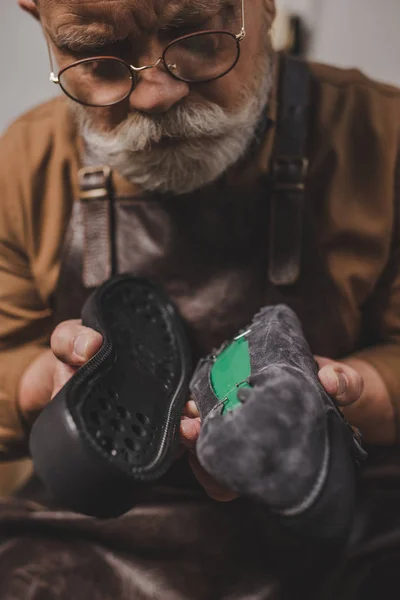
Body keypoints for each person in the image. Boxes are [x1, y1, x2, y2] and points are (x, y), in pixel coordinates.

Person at [0, 0, 400, 597]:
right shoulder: (24, 162)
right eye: (95, 56)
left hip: (343, 519)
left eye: (196, 36)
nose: (153, 95)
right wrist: (40, 383)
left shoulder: (381, 137)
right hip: (96, 534)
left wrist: (358, 393)